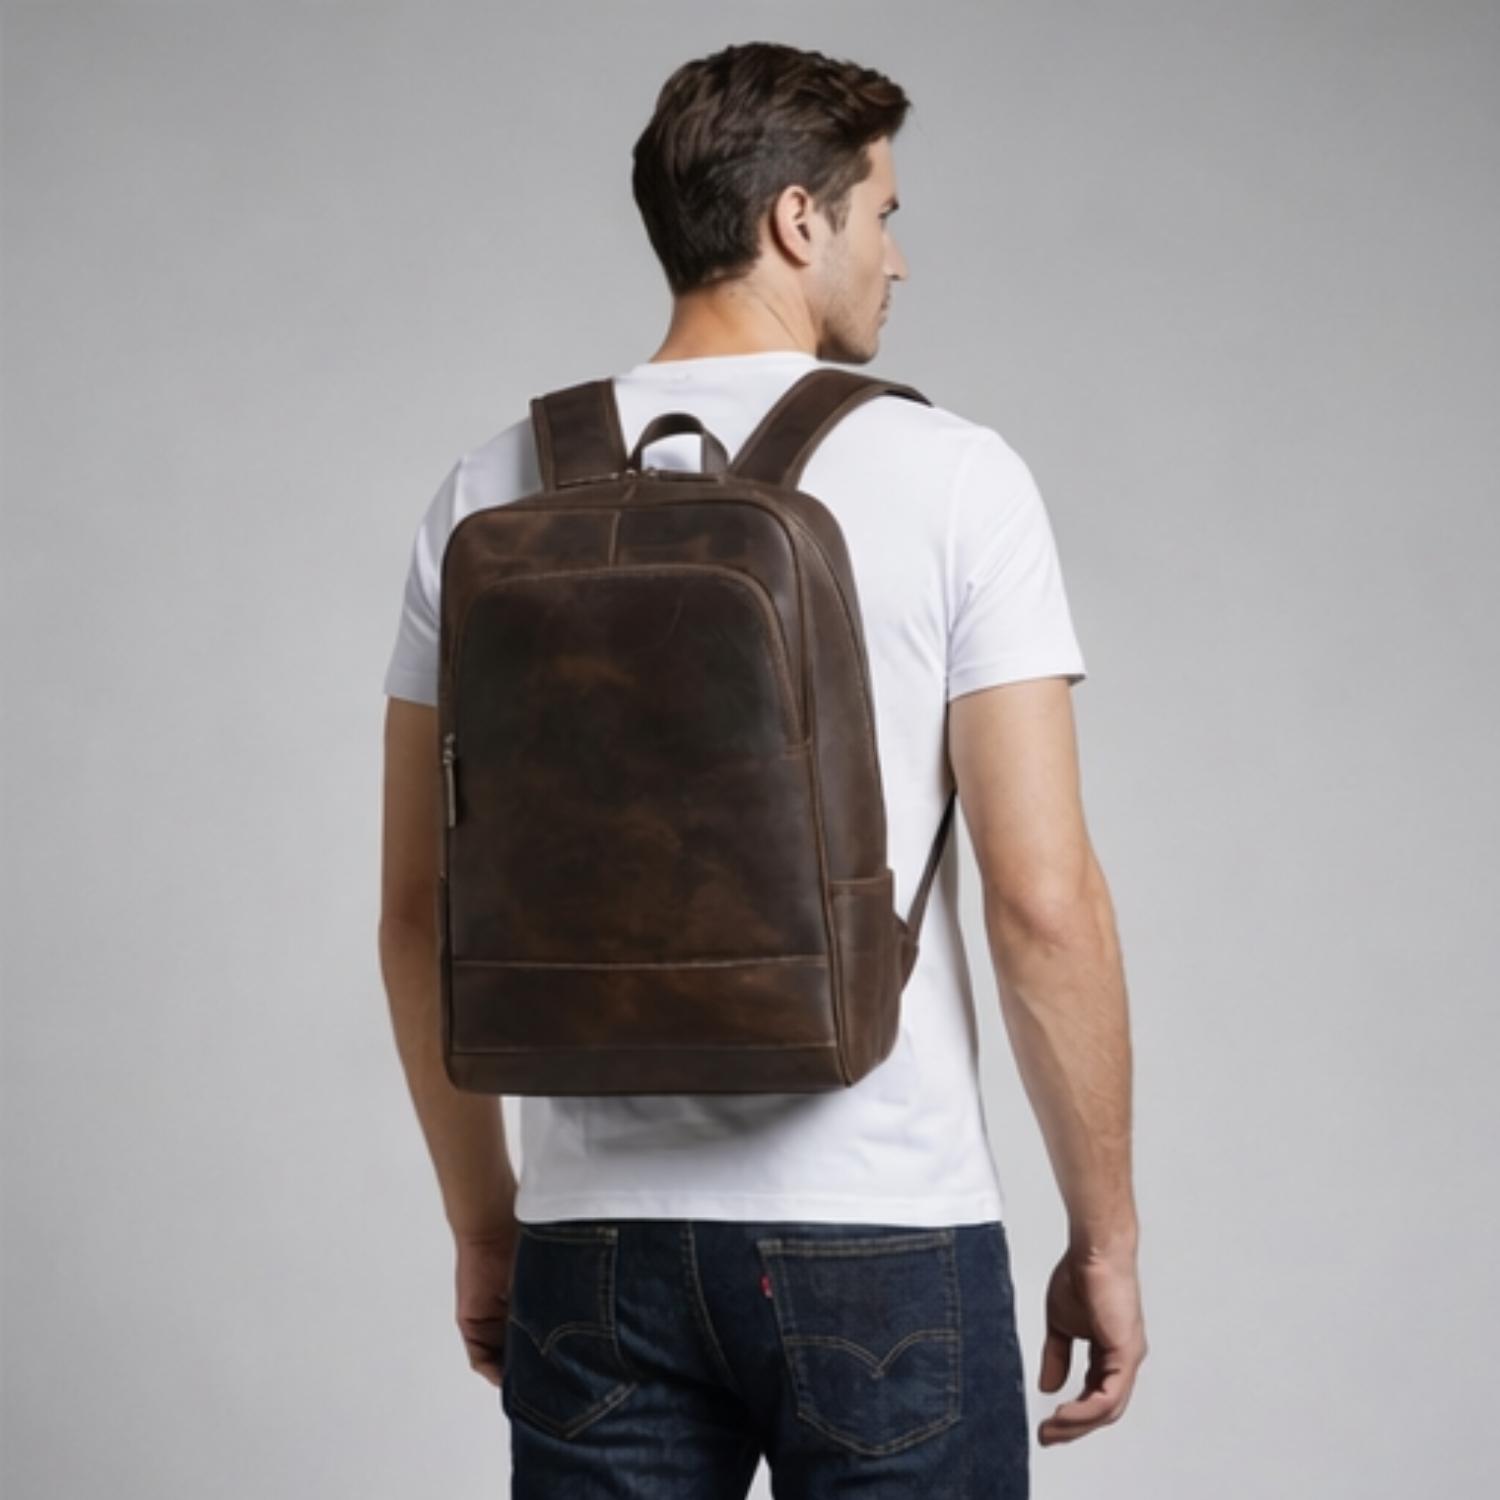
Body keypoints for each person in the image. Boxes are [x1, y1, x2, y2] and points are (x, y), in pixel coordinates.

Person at [379, 41, 1144, 1499]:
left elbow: (419, 913)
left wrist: (490, 1224)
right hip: (887, 1229)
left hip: (591, 1243)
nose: (899, 258)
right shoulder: (956, 478)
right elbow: (1044, 903)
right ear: (800, 219)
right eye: (883, 212)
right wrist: (1104, 1235)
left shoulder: (483, 488)